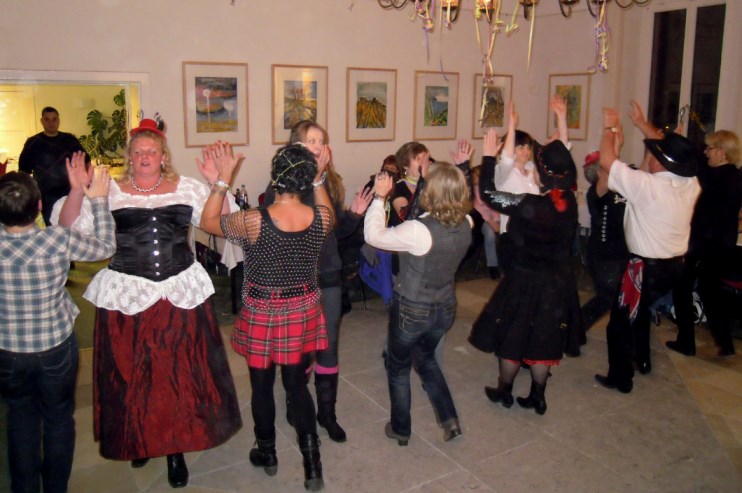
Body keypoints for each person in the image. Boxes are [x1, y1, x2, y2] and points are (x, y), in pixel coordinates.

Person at [53, 119, 242, 488]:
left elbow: (221, 222)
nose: (144, 156)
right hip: (127, 294)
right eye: (138, 151)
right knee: (132, 373)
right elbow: (70, 228)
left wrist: (218, 182)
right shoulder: (109, 189)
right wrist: (77, 190)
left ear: (163, 156)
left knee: (177, 374)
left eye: (151, 151)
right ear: (129, 156)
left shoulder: (186, 188)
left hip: (178, 292)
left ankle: (174, 449)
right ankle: (137, 437)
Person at [200, 142, 334, 491]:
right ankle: (312, 464)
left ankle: (268, 452)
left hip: (264, 310)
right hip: (303, 308)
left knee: (261, 385)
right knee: (296, 385)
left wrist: (223, 180)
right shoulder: (322, 217)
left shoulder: (253, 221)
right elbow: (326, 207)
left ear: (275, 177)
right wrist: (319, 180)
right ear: (307, 179)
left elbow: (207, 222)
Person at [0, 160, 116, 493]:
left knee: (20, 418)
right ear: (39, 206)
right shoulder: (57, 239)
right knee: (58, 417)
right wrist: (99, 200)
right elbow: (106, 247)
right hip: (55, 347)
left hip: (7, 351)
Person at [262, 120, 373, 443]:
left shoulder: (329, 181)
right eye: (310, 140)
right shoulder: (281, 183)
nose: (317, 146)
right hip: (297, 279)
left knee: (329, 345)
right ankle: (296, 402)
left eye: (320, 141)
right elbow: (279, 231)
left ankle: (327, 413)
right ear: (295, 145)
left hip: (328, 275)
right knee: (299, 349)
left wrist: (353, 215)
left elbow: (334, 233)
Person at [468, 124, 583, 416]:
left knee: (513, 336)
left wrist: (488, 157)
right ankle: (537, 396)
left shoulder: (530, 204)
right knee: (544, 338)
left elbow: (490, 195)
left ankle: (504, 391)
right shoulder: (569, 202)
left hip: (526, 279)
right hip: (558, 282)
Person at [594, 102, 701, 394]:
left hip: (644, 268)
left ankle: (621, 378)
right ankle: (643, 361)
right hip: (674, 267)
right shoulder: (690, 183)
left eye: (654, 154)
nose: (649, 156)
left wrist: (609, 128)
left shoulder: (647, 186)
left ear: (660, 162)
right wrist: (642, 124)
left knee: (619, 323)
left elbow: (606, 160)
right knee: (639, 314)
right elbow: (663, 152)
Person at [365, 161, 472, 445]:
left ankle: (401, 429)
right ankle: (450, 420)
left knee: (398, 367)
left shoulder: (418, 230)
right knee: (425, 359)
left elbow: (373, 236)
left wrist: (379, 198)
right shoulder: (467, 223)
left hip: (413, 308)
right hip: (445, 306)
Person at [667, 130, 742, 356]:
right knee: (710, 292)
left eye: (710, 148)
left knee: (682, 288)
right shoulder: (736, 176)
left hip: (703, 245)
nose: (706, 152)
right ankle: (725, 343)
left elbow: (694, 163)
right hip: (723, 245)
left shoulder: (714, 177)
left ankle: (686, 342)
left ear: (722, 152)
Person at [580, 151, 629, 330]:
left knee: (618, 298)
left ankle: (616, 333)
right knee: (607, 297)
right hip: (603, 255)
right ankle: (576, 327)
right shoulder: (596, 192)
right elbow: (607, 175)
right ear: (599, 171)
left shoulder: (620, 189)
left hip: (621, 252)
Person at [493, 101, 541, 273]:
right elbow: (506, 159)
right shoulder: (503, 173)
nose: (525, 151)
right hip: (513, 235)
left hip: (534, 233)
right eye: (520, 147)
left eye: (528, 147)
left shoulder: (532, 169)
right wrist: (511, 127)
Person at [19, 107, 88, 226]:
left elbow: (86, 161)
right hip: (44, 195)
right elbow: (24, 171)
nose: (51, 123)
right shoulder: (33, 143)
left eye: (54, 119)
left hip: (69, 193)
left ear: (58, 120)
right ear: (42, 121)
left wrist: (84, 185)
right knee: (48, 227)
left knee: (71, 225)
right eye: (47, 119)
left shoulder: (70, 140)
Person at [471, 165, 501, 280]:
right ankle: (493, 266)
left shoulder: (491, 188)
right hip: (482, 220)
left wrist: (497, 219)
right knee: (489, 234)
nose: (474, 178)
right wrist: (492, 222)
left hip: (495, 218)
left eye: (476, 175)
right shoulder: (473, 191)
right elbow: (479, 210)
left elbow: (496, 207)